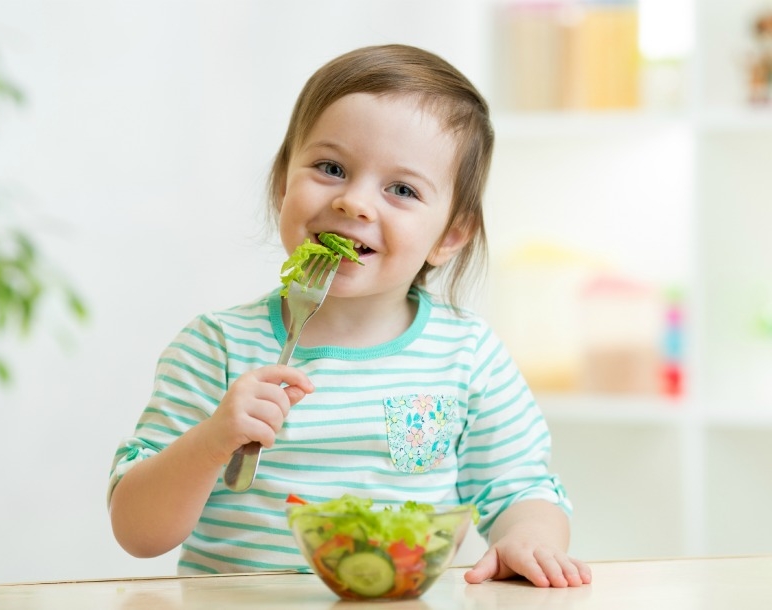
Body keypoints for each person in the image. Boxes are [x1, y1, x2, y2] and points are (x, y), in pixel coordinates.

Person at [108, 43, 592, 589]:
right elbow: (137, 531)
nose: (355, 203)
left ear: (451, 235)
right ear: (281, 184)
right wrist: (213, 440)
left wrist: (529, 538)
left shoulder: (467, 355)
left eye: (402, 189)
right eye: (331, 168)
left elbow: (520, 487)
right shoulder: (216, 347)